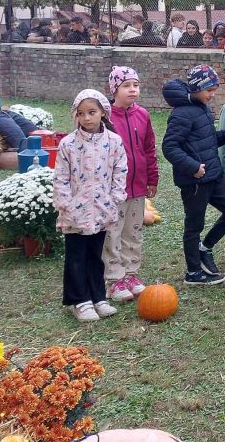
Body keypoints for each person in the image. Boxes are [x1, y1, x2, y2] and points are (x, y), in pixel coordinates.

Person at [161, 65, 225, 285]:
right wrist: (193, 167)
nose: (213, 94)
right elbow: (169, 147)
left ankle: (205, 247)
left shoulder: (203, 108)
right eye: (209, 90)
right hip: (195, 181)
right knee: (194, 226)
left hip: (214, 176)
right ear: (197, 88)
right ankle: (193, 272)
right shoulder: (181, 113)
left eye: (215, 90)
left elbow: (207, 140)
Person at [53, 90, 127, 323]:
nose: (86, 118)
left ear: (103, 112)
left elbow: (120, 170)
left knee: (96, 255)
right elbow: (61, 176)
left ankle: (98, 297)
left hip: (102, 209)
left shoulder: (114, 142)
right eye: (81, 113)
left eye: (92, 112)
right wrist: (65, 203)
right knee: (76, 256)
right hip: (75, 212)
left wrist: (115, 197)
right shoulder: (68, 144)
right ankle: (79, 300)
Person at [104, 67, 158, 304]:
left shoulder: (143, 115)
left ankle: (131, 273)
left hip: (138, 185)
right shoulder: (106, 118)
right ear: (114, 89)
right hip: (114, 189)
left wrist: (152, 178)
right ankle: (113, 279)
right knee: (113, 233)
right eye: (126, 85)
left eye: (135, 85)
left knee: (133, 232)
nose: (132, 90)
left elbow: (149, 149)